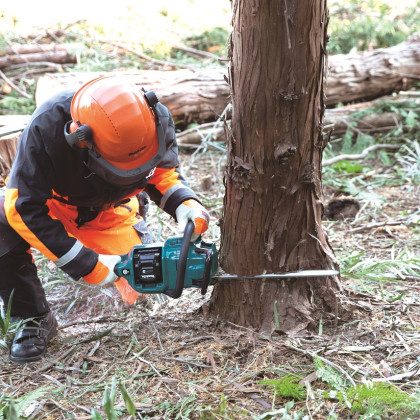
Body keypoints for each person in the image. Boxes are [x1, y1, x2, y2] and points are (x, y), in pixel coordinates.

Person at [0, 75, 210, 363]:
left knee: (132, 294)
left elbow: (162, 173)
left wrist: (184, 203)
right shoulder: (47, 128)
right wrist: (87, 264)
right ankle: (32, 319)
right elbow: (22, 206)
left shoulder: (154, 119)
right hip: (55, 207)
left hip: (112, 212)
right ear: (80, 139)